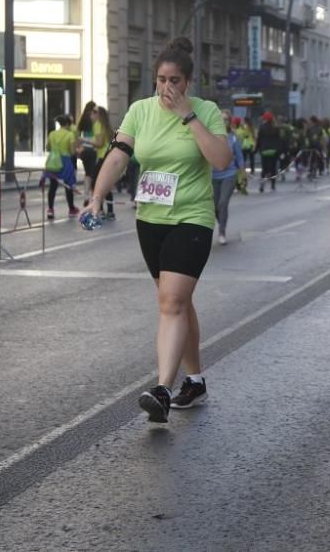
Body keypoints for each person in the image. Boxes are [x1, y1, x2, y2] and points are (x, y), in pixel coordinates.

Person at [82, 37, 231, 423]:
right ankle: (194, 381)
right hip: (151, 219)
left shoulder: (206, 111)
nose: (168, 87)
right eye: (162, 79)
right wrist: (98, 196)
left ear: (189, 81)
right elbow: (118, 157)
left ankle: (163, 388)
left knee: (172, 303)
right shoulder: (139, 111)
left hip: (192, 218)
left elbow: (220, 160)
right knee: (175, 303)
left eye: (176, 80)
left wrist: (189, 117)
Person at [212, 109, 244, 245]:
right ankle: (222, 222)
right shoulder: (211, 136)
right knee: (214, 207)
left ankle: (222, 231)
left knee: (223, 203)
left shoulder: (233, 137)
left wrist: (242, 174)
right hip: (213, 175)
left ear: (229, 122)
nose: (223, 122)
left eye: (226, 119)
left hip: (229, 174)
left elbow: (240, 157)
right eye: (221, 119)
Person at [44, 115, 80, 220]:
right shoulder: (70, 135)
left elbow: (47, 148)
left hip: (54, 161)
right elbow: (73, 152)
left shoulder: (52, 134)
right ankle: (71, 208)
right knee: (68, 185)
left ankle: (50, 209)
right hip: (66, 161)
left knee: (53, 186)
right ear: (68, 124)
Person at [76, 102, 106, 198]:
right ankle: (94, 197)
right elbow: (98, 140)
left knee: (87, 173)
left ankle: (86, 194)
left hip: (84, 150)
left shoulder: (82, 120)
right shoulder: (96, 122)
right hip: (93, 148)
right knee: (94, 174)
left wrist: (79, 147)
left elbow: (78, 135)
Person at [95, 106, 116, 220]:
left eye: (94, 112)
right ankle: (110, 211)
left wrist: (85, 141)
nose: (92, 115)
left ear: (99, 115)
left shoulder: (98, 125)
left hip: (102, 157)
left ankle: (100, 210)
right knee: (107, 184)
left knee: (97, 183)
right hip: (108, 157)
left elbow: (99, 143)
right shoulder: (108, 126)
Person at [256, 111, 282, 192]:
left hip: (264, 151)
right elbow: (278, 140)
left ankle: (262, 185)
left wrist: (257, 149)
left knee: (264, 168)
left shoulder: (261, 128)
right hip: (273, 151)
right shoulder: (276, 128)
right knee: (273, 168)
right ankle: (273, 185)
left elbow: (259, 140)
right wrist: (279, 151)